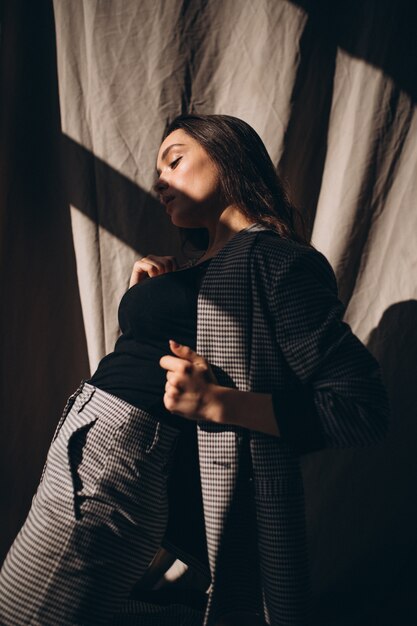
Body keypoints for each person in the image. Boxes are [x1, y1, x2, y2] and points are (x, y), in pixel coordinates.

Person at [0, 114, 389, 626]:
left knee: (27, 614)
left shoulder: (275, 260)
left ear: (227, 157)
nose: (159, 180)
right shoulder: (207, 265)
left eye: (174, 160)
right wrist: (152, 297)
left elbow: (360, 408)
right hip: (95, 446)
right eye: (156, 170)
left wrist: (216, 403)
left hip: (119, 459)